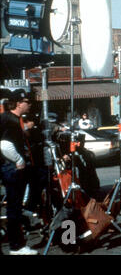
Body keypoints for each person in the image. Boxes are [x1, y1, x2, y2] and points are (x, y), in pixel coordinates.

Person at [0, 89, 38, 255]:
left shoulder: (12, 119)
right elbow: (4, 145)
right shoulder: (11, 120)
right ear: (18, 103)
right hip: (12, 168)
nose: (29, 104)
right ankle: (16, 247)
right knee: (14, 208)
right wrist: (18, 160)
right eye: (27, 102)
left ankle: (17, 242)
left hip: (11, 168)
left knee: (15, 207)